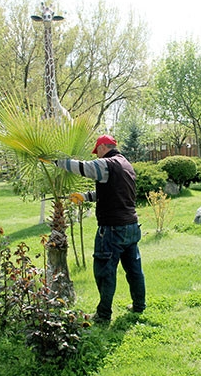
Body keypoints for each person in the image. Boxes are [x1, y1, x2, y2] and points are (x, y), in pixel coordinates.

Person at [54, 135, 146, 323]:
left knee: (105, 271)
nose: (97, 156)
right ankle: (139, 306)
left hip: (113, 229)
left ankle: (103, 315)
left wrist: (56, 161)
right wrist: (85, 196)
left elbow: (84, 168)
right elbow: (112, 192)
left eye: (98, 152)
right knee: (134, 269)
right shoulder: (126, 164)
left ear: (104, 147)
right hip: (131, 227)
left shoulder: (107, 163)